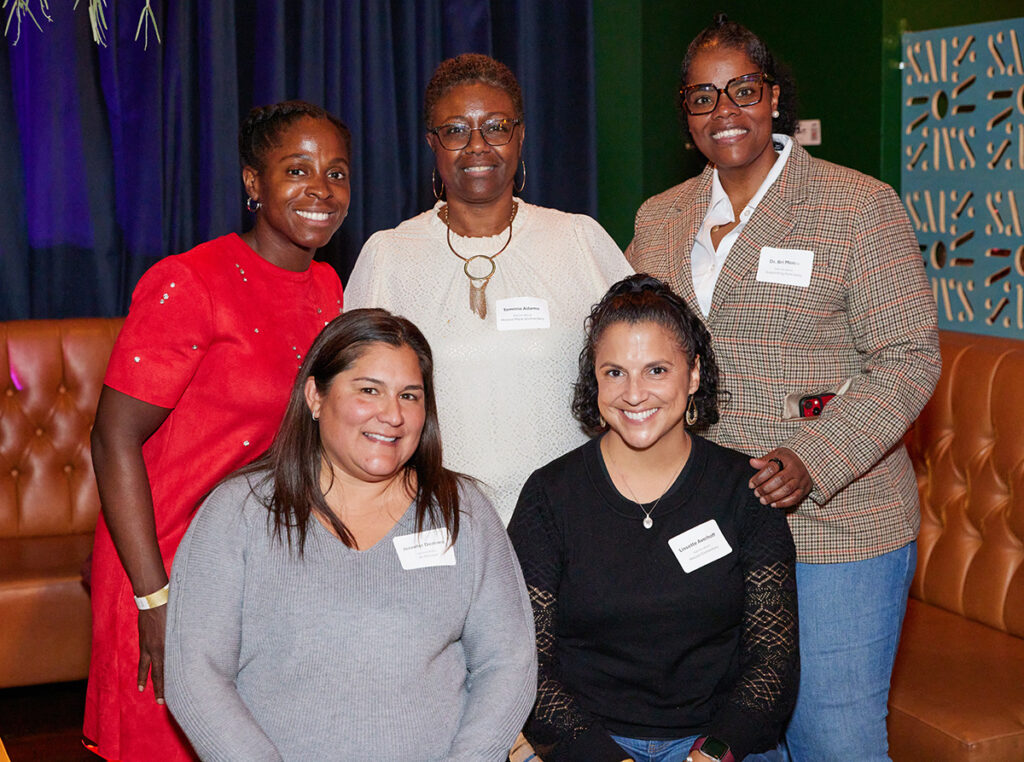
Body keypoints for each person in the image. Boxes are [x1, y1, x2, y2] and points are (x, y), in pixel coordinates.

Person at [626, 15, 941, 761]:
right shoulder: (659, 218)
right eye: (702, 97)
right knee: (742, 737)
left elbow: (907, 355)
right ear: (685, 112)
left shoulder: (857, 206)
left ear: (773, 99)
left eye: (742, 89)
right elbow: (638, 350)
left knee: (833, 738)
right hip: (710, 528)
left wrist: (814, 457)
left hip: (836, 527)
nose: (724, 111)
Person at [84, 101, 352, 760]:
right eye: (297, 169)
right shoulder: (189, 283)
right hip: (162, 561)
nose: (322, 189)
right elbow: (111, 439)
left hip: (256, 569)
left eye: (338, 173)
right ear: (252, 184)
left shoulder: (328, 289)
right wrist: (153, 600)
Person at [163, 309, 537, 761]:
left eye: (410, 396)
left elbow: (508, 663)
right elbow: (196, 675)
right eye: (369, 390)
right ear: (315, 397)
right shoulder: (239, 512)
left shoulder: (463, 512)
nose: (393, 415)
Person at [508, 275, 798, 762]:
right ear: (594, 380)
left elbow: (773, 663)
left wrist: (713, 753)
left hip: (717, 743)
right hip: (588, 742)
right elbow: (525, 662)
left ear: (694, 375)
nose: (634, 393)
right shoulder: (551, 495)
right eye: (615, 372)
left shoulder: (743, 490)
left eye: (657, 370)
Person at [344, 53, 632, 522]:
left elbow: (642, 373)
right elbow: (352, 405)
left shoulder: (578, 239)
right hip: (435, 522)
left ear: (520, 134)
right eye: (456, 130)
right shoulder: (389, 256)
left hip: (574, 521)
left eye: (496, 126)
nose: (477, 145)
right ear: (432, 144)